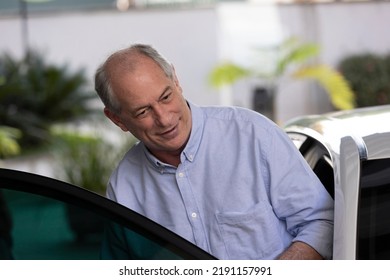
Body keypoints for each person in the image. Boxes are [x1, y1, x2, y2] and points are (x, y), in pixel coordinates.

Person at [94, 44, 334, 260]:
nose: (164, 119)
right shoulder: (123, 187)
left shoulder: (255, 135)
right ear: (117, 119)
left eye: (165, 97)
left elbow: (321, 222)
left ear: (176, 80)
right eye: (143, 112)